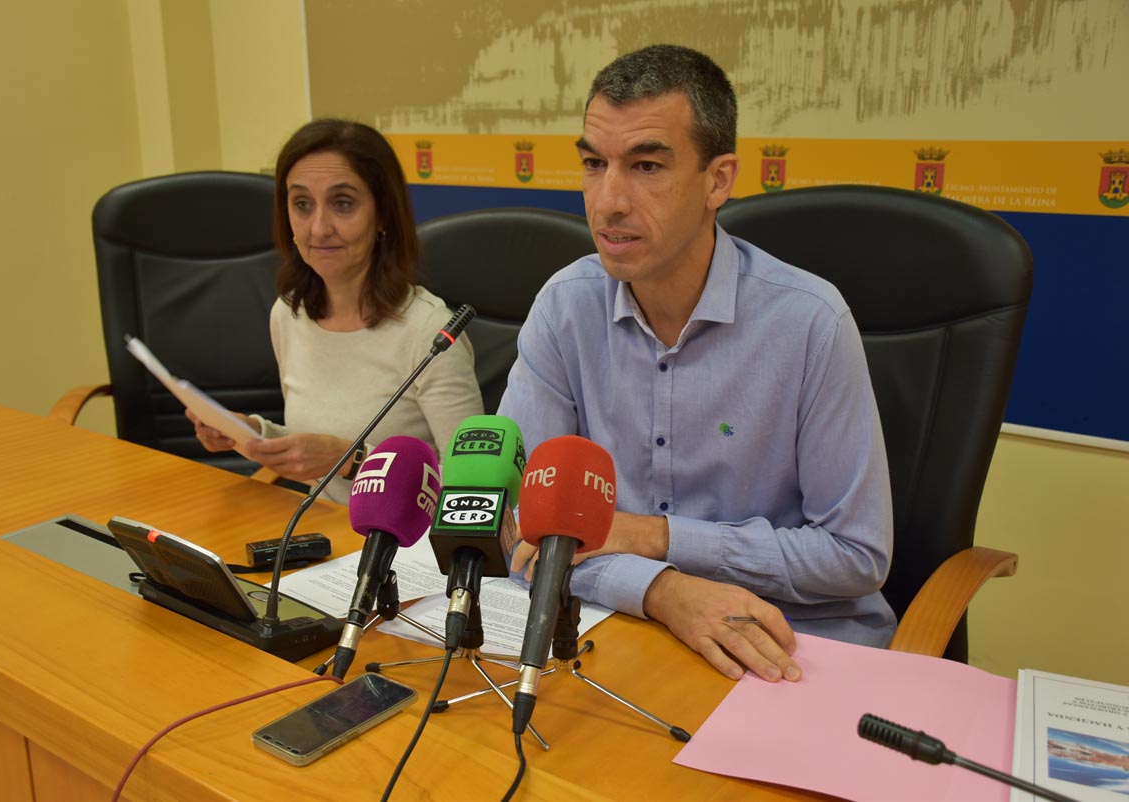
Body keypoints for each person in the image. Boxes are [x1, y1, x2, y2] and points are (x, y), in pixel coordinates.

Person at [500, 45, 895, 682]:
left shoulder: (810, 322)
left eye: (646, 165)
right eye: (594, 164)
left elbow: (854, 557)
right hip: (622, 625)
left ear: (718, 180)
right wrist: (661, 590)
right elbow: (524, 531)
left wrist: (656, 537)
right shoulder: (564, 309)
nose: (608, 202)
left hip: (792, 645)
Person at [190, 119, 483, 503]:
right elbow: (318, 449)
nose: (318, 228)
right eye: (301, 204)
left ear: (382, 215)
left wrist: (353, 462)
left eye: (342, 203)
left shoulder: (431, 332)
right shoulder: (289, 314)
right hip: (322, 538)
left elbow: (474, 488)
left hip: (408, 551)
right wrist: (254, 435)